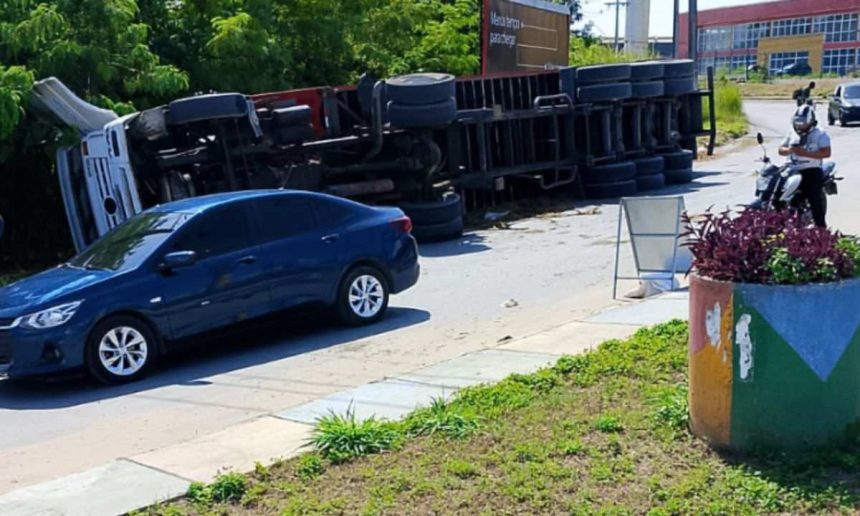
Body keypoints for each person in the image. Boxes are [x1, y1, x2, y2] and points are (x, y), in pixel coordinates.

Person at [778, 103, 831, 228]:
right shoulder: (792, 133)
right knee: (776, 187)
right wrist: (789, 150)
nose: (800, 127)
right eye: (798, 124)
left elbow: (826, 152)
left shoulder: (820, 134)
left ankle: (821, 227)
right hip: (791, 168)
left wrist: (805, 153)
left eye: (803, 124)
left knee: (814, 196)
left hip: (811, 170)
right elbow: (780, 149)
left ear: (811, 122)